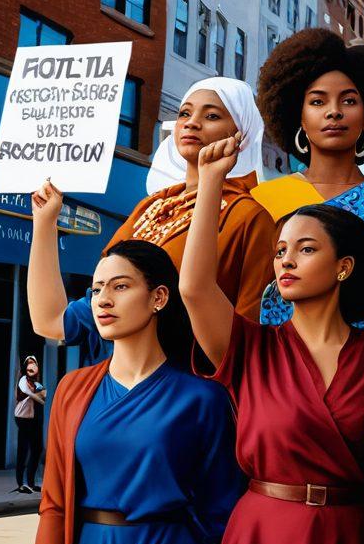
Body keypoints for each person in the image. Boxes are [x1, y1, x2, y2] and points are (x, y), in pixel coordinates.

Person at [179, 134, 364, 544]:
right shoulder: (251, 348)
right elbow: (194, 288)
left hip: (351, 540)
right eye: (280, 251)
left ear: (344, 267)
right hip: (263, 537)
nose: (286, 260)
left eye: (306, 249)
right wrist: (212, 181)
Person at [29, 180, 241, 544]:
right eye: (95, 289)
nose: (103, 300)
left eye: (120, 287)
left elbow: (222, 509)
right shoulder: (73, 390)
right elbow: (54, 498)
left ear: (159, 297)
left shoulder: (205, 399)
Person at [27, 79, 276, 363]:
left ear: (240, 134)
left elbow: (249, 345)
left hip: (188, 392)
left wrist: (212, 181)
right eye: (184, 113)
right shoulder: (149, 208)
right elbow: (52, 322)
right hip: (112, 385)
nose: (192, 123)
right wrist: (45, 222)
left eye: (211, 116)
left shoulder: (250, 218)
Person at [252, 27, 364, 337]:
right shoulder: (265, 199)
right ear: (299, 118)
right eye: (318, 102)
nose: (334, 112)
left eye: (349, 101)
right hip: (287, 365)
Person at [13, 355, 45, 494]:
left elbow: (44, 395)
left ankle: (31, 483)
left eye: (34, 364)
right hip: (22, 418)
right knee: (23, 450)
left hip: (32, 419)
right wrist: (37, 396)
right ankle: (21, 484)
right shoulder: (23, 380)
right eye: (29, 364)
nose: (32, 366)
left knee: (37, 449)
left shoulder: (36, 382)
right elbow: (27, 392)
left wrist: (39, 395)